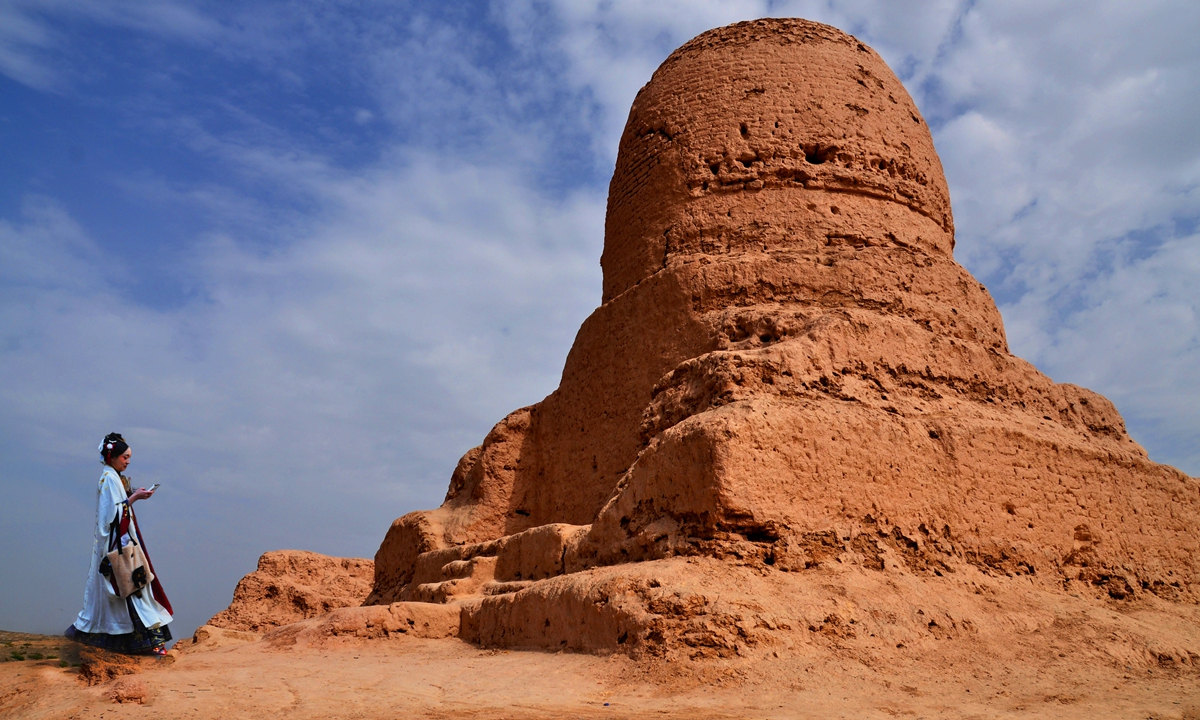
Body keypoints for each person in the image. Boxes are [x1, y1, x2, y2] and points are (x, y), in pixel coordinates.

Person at [65, 432, 174, 655]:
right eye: (125, 457)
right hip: (117, 546)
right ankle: (153, 646)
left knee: (135, 588)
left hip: (124, 542)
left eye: (128, 457)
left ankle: (146, 645)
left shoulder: (113, 477)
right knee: (134, 588)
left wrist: (134, 493)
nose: (128, 461)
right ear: (112, 457)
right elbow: (111, 514)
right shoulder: (107, 480)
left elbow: (119, 503)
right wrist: (134, 499)